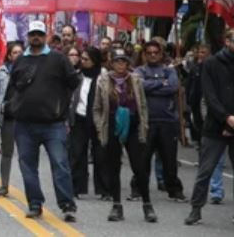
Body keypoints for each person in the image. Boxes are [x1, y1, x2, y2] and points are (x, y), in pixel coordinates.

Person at [5, 20, 80, 221]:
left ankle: (67, 205)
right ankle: (35, 204)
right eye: (32, 34)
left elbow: (73, 82)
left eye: (39, 33)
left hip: (53, 124)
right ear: (27, 37)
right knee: (28, 166)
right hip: (24, 125)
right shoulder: (20, 61)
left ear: (45, 36)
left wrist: (60, 105)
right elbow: (12, 87)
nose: (36, 37)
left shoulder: (58, 59)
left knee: (60, 164)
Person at [185, 29, 234, 226]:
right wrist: (225, 118)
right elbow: (210, 96)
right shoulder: (211, 64)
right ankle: (196, 208)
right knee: (206, 169)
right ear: (227, 41)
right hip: (215, 125)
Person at [93, 49, 156, 223]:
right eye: (117, 61)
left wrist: (144, 124)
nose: (121, 65)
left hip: (133, 124)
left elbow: (142, 105)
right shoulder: (103, 81)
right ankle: (116, 205)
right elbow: (97, 108)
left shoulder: (135, 79)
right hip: (112, 125)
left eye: (124, 61)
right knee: (113, 167)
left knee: (139, 167)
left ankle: (147, 204)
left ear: (128, 64)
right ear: (111, 63)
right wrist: (100, 127)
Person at [136, 40, 186, 201]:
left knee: (169, 159)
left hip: (168, 120)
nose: (152, 55)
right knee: (143, 158)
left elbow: (172, 87)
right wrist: (160, 83)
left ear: (161, 54)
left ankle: (174, 189)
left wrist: (153, 85)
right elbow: (140, 87)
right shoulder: (139, 70)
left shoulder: (169, 71)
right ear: (144, 54)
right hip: (146, 121)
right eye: (149, 52)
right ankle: (138, 189)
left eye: (155, 52)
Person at [69, 47, 107, 199]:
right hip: (79, 117)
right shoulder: (77, 76)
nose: (82, 61)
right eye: (82, 58)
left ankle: (104, 189)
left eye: (86, 59)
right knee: (77, 153)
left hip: (99, 119)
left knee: (101, 155)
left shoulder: (104, 77)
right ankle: (76, 188)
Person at [0, 41, 23, 197]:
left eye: (20, 52)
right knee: (7, 152)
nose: (18, 55)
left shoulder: (28, 70)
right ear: (9, 55)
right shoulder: (1, 72)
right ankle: (4, 185)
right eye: (15, 52)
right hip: (8, 117)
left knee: (26, 155)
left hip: (25, 116)